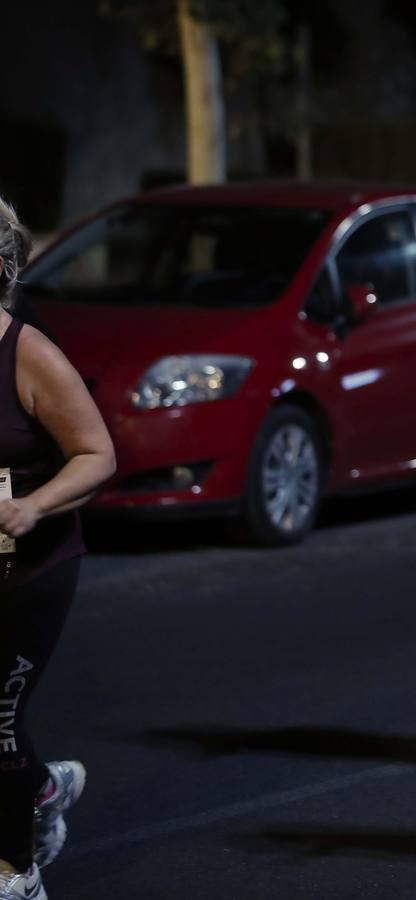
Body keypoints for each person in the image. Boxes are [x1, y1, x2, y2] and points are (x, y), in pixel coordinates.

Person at [0, 198, 116, 899]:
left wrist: (32, 506)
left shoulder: (30, 353)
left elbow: (97, 454)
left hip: (32, 568)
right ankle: (43, 790)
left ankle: (18, 872)